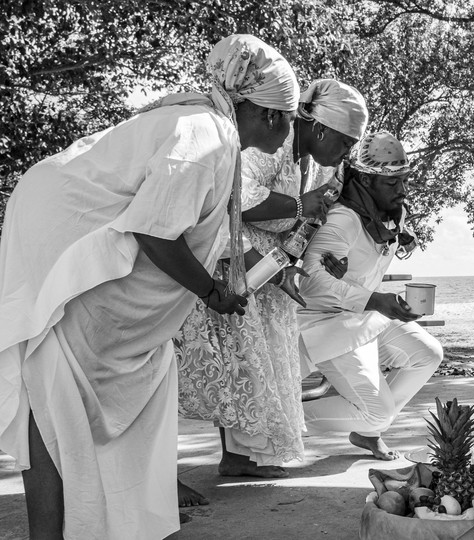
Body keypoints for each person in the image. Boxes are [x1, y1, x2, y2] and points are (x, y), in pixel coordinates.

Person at [0, 35, 299, 539]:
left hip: (58, 232)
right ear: (270, 115)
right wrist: (211, 293)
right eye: (290, 119)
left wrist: (216, 285)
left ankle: (116, 522)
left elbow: (181, 227)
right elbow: (155, 229)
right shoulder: (209, 134)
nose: (290, 132)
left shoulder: (207, 125)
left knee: (120, 378)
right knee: (56, 392)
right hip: (62, 243)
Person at [175, 79, 368, 506]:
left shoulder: (320, 167)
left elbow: (309, 222)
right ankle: (158, 472)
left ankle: (237, 457)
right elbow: (235, 197)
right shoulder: (272, 145)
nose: (348, 152)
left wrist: (317, 258)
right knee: (209, 367)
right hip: (231, 258)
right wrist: (302, 206)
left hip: (270, 269)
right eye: (346, 140)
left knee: (248, 367)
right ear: (320, 130)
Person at [297, 132, 442, 460]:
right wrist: (376, 300)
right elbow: (310, 282)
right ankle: (281, 415)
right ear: (364, 179)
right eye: (392, 184)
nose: (402, 191)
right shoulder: (341, 220)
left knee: (428, 354)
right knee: (379, 411)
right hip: (329, 324)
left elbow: (383, 245)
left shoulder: (389, 213)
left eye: (403, 181)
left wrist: (405, 240)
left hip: (363, 318)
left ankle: (368, 433)